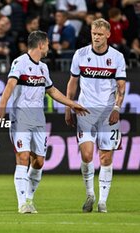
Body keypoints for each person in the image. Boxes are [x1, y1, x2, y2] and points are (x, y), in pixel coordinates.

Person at [0, 30, 89, 214]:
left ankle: (29, 198)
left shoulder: (43, 68)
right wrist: (2, 105)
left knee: (38, 161)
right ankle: (22, 203)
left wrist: (72, 104)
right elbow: (10, 85)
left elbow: (52, 91)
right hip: (20, 117)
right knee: (22, 157)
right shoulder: (19, 62)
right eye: (46, 44)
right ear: (41, 44)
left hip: (38, 119)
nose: (48, 47)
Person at [65, 18, 126, 213]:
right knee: (87, 154)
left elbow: (121, 87)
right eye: (94, 34)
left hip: (108, 112)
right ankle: (90, 194)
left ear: (108, 35)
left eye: (100, 34)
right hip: (85, 110)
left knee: (106, 157)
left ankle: (102, 202)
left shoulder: (117, 57)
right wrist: (68, 106)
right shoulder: (80, 54)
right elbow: (72, 82)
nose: (96, 37)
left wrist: (116, 108)